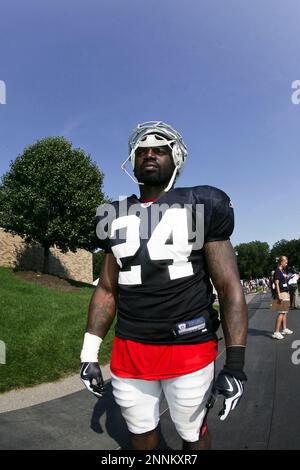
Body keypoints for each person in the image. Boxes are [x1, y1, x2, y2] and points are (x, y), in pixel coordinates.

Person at [79, 121, 248, 450]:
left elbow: (229, 286)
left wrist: (236, 366)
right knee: (140, 433)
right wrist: (88, 353)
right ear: (132, 160)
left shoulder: (201, 203)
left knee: (192, 433)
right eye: (142, 151)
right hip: (130, 350)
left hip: (190, 349)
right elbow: (106, 289)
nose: (150, 154)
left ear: (177, 157)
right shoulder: (113, 214)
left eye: (159, 149)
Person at [272, 256, 293, 339]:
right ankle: (276, 332)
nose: (286, 264)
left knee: (285, 312)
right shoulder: (277, 271)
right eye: (286, 262)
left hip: (285, 292)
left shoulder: (283, 271)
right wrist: (279, 294)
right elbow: (276, 283)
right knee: (281, 312)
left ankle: (284, 329)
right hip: (282, 293)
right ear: (281, 262)